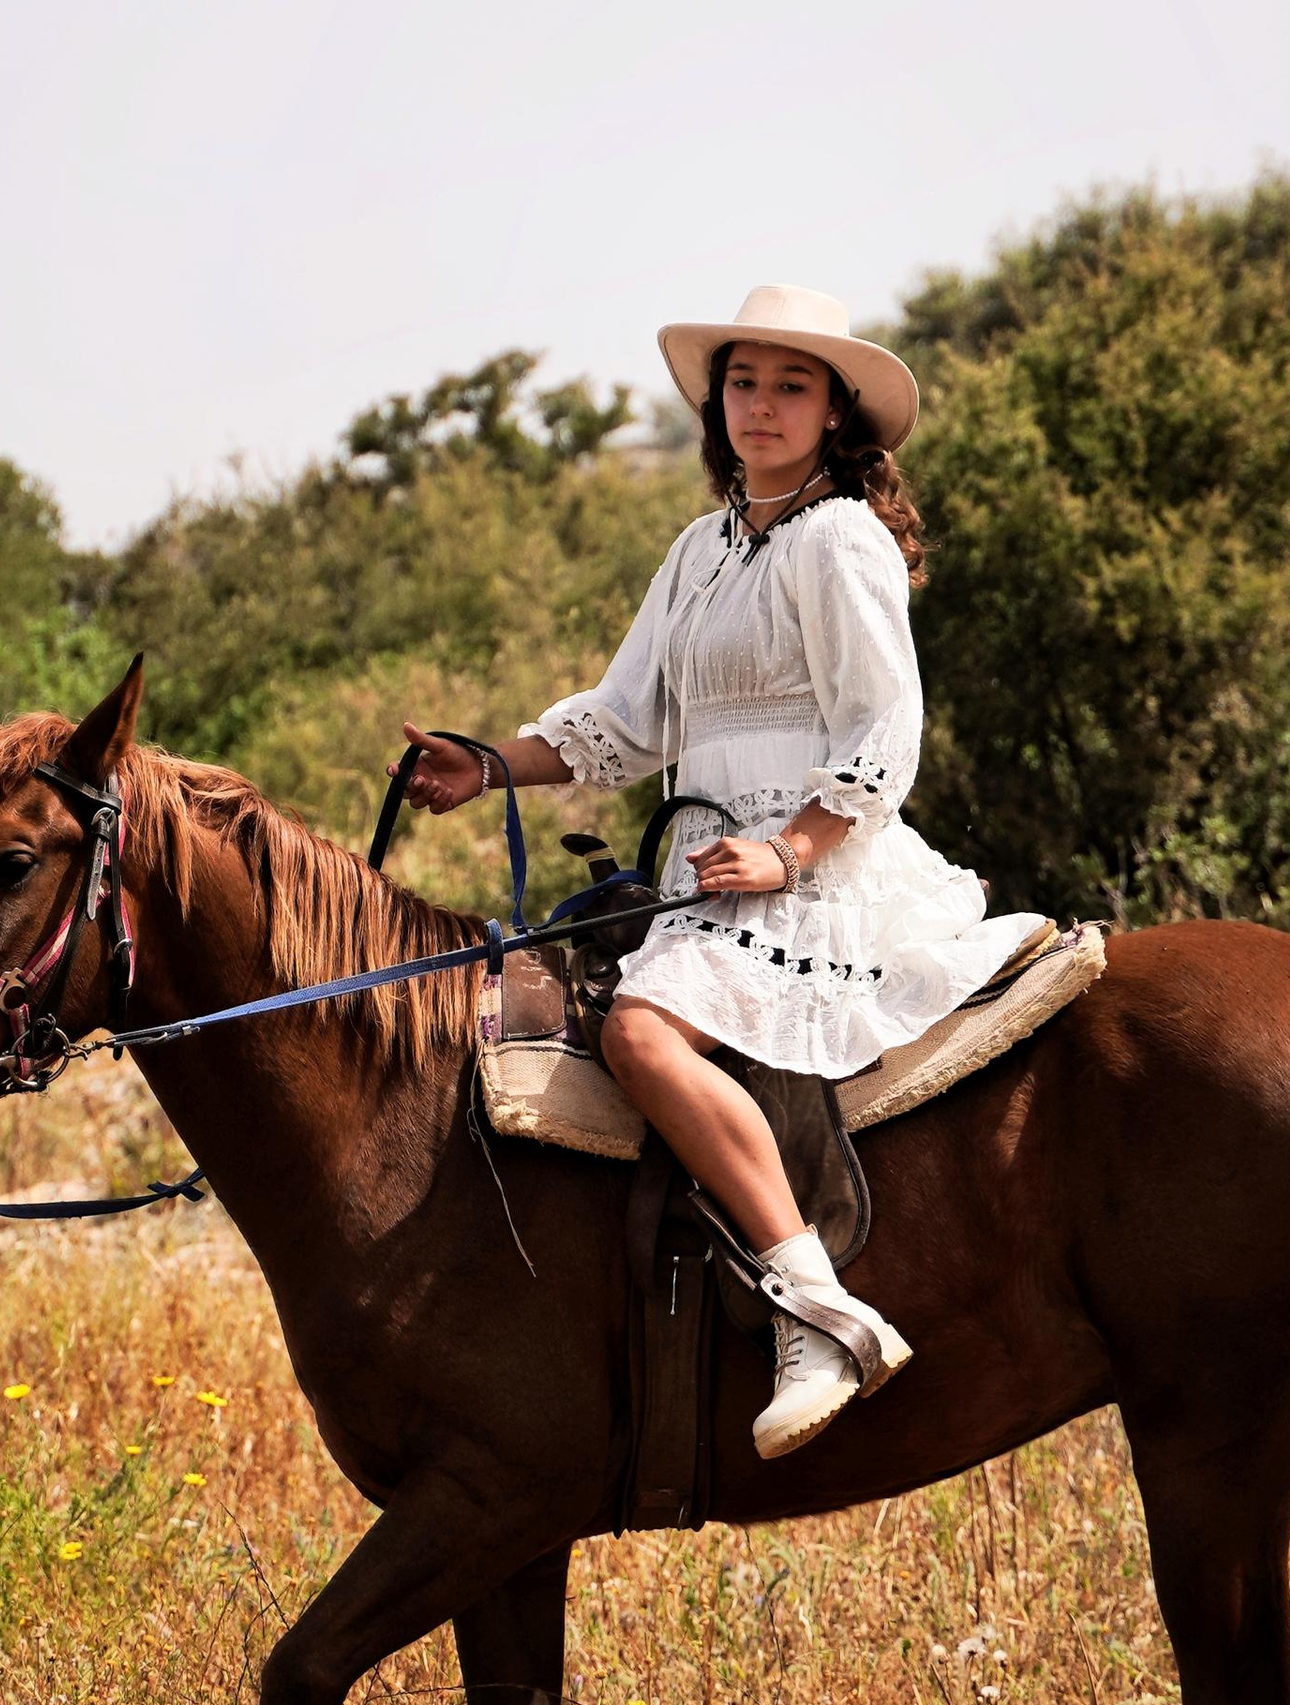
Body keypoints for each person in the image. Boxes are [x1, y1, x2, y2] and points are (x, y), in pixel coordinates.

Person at [401, 283, 1043, 1461]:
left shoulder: (837, 536)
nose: (760, 405)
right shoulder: (700, 549)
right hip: (709, 868)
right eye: (743, 382)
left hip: (815, 871)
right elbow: (624, 720)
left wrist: (790, 848)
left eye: (790, 385)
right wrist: (488, 764)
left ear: (834, 411)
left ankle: (818, 1313)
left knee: (642, 1036)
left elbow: (883, 732)